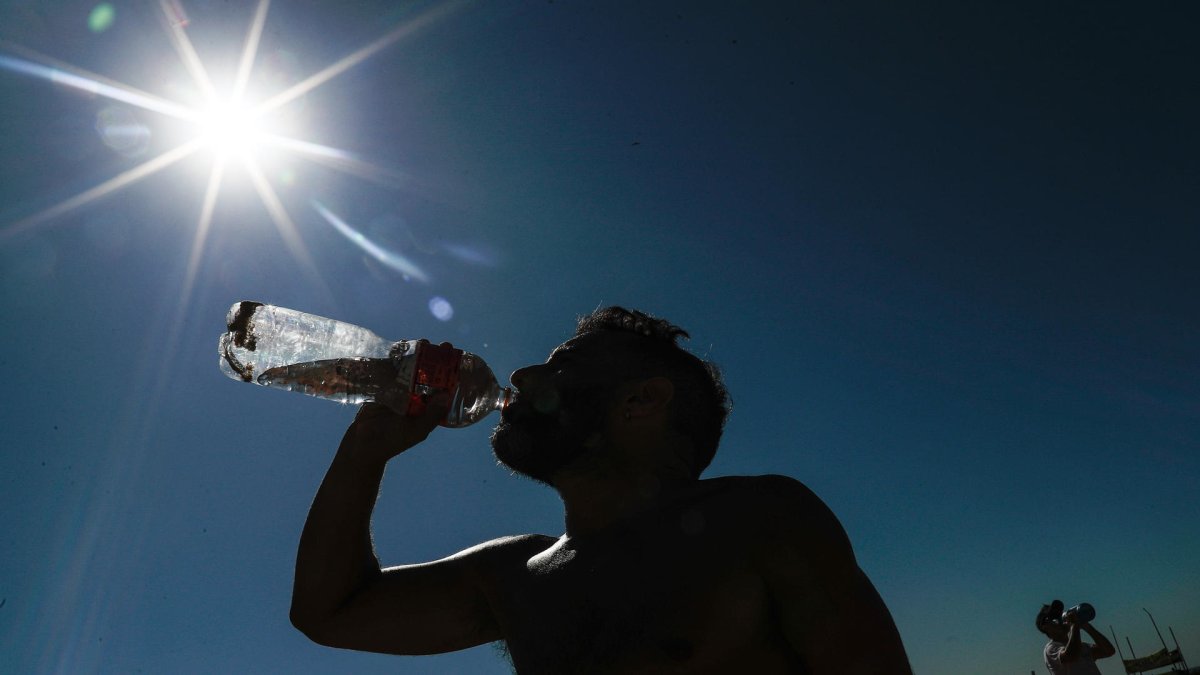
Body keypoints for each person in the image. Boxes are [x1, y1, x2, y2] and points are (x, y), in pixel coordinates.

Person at [290, 306, 913, 673]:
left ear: (642, 401)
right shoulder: (513, 574)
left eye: (562, 367)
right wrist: (364, 450)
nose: (522, 375)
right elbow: (329, 613)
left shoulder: (758, 520)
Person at [1036, 600, 1117, 675]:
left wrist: (1087, 627)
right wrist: (1074, 625)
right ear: (1044, 626)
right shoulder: (1051, 649)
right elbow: (1072, 655)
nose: (1060, 620)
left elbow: (1109, 651)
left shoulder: (1083, 647)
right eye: (1054, 618)